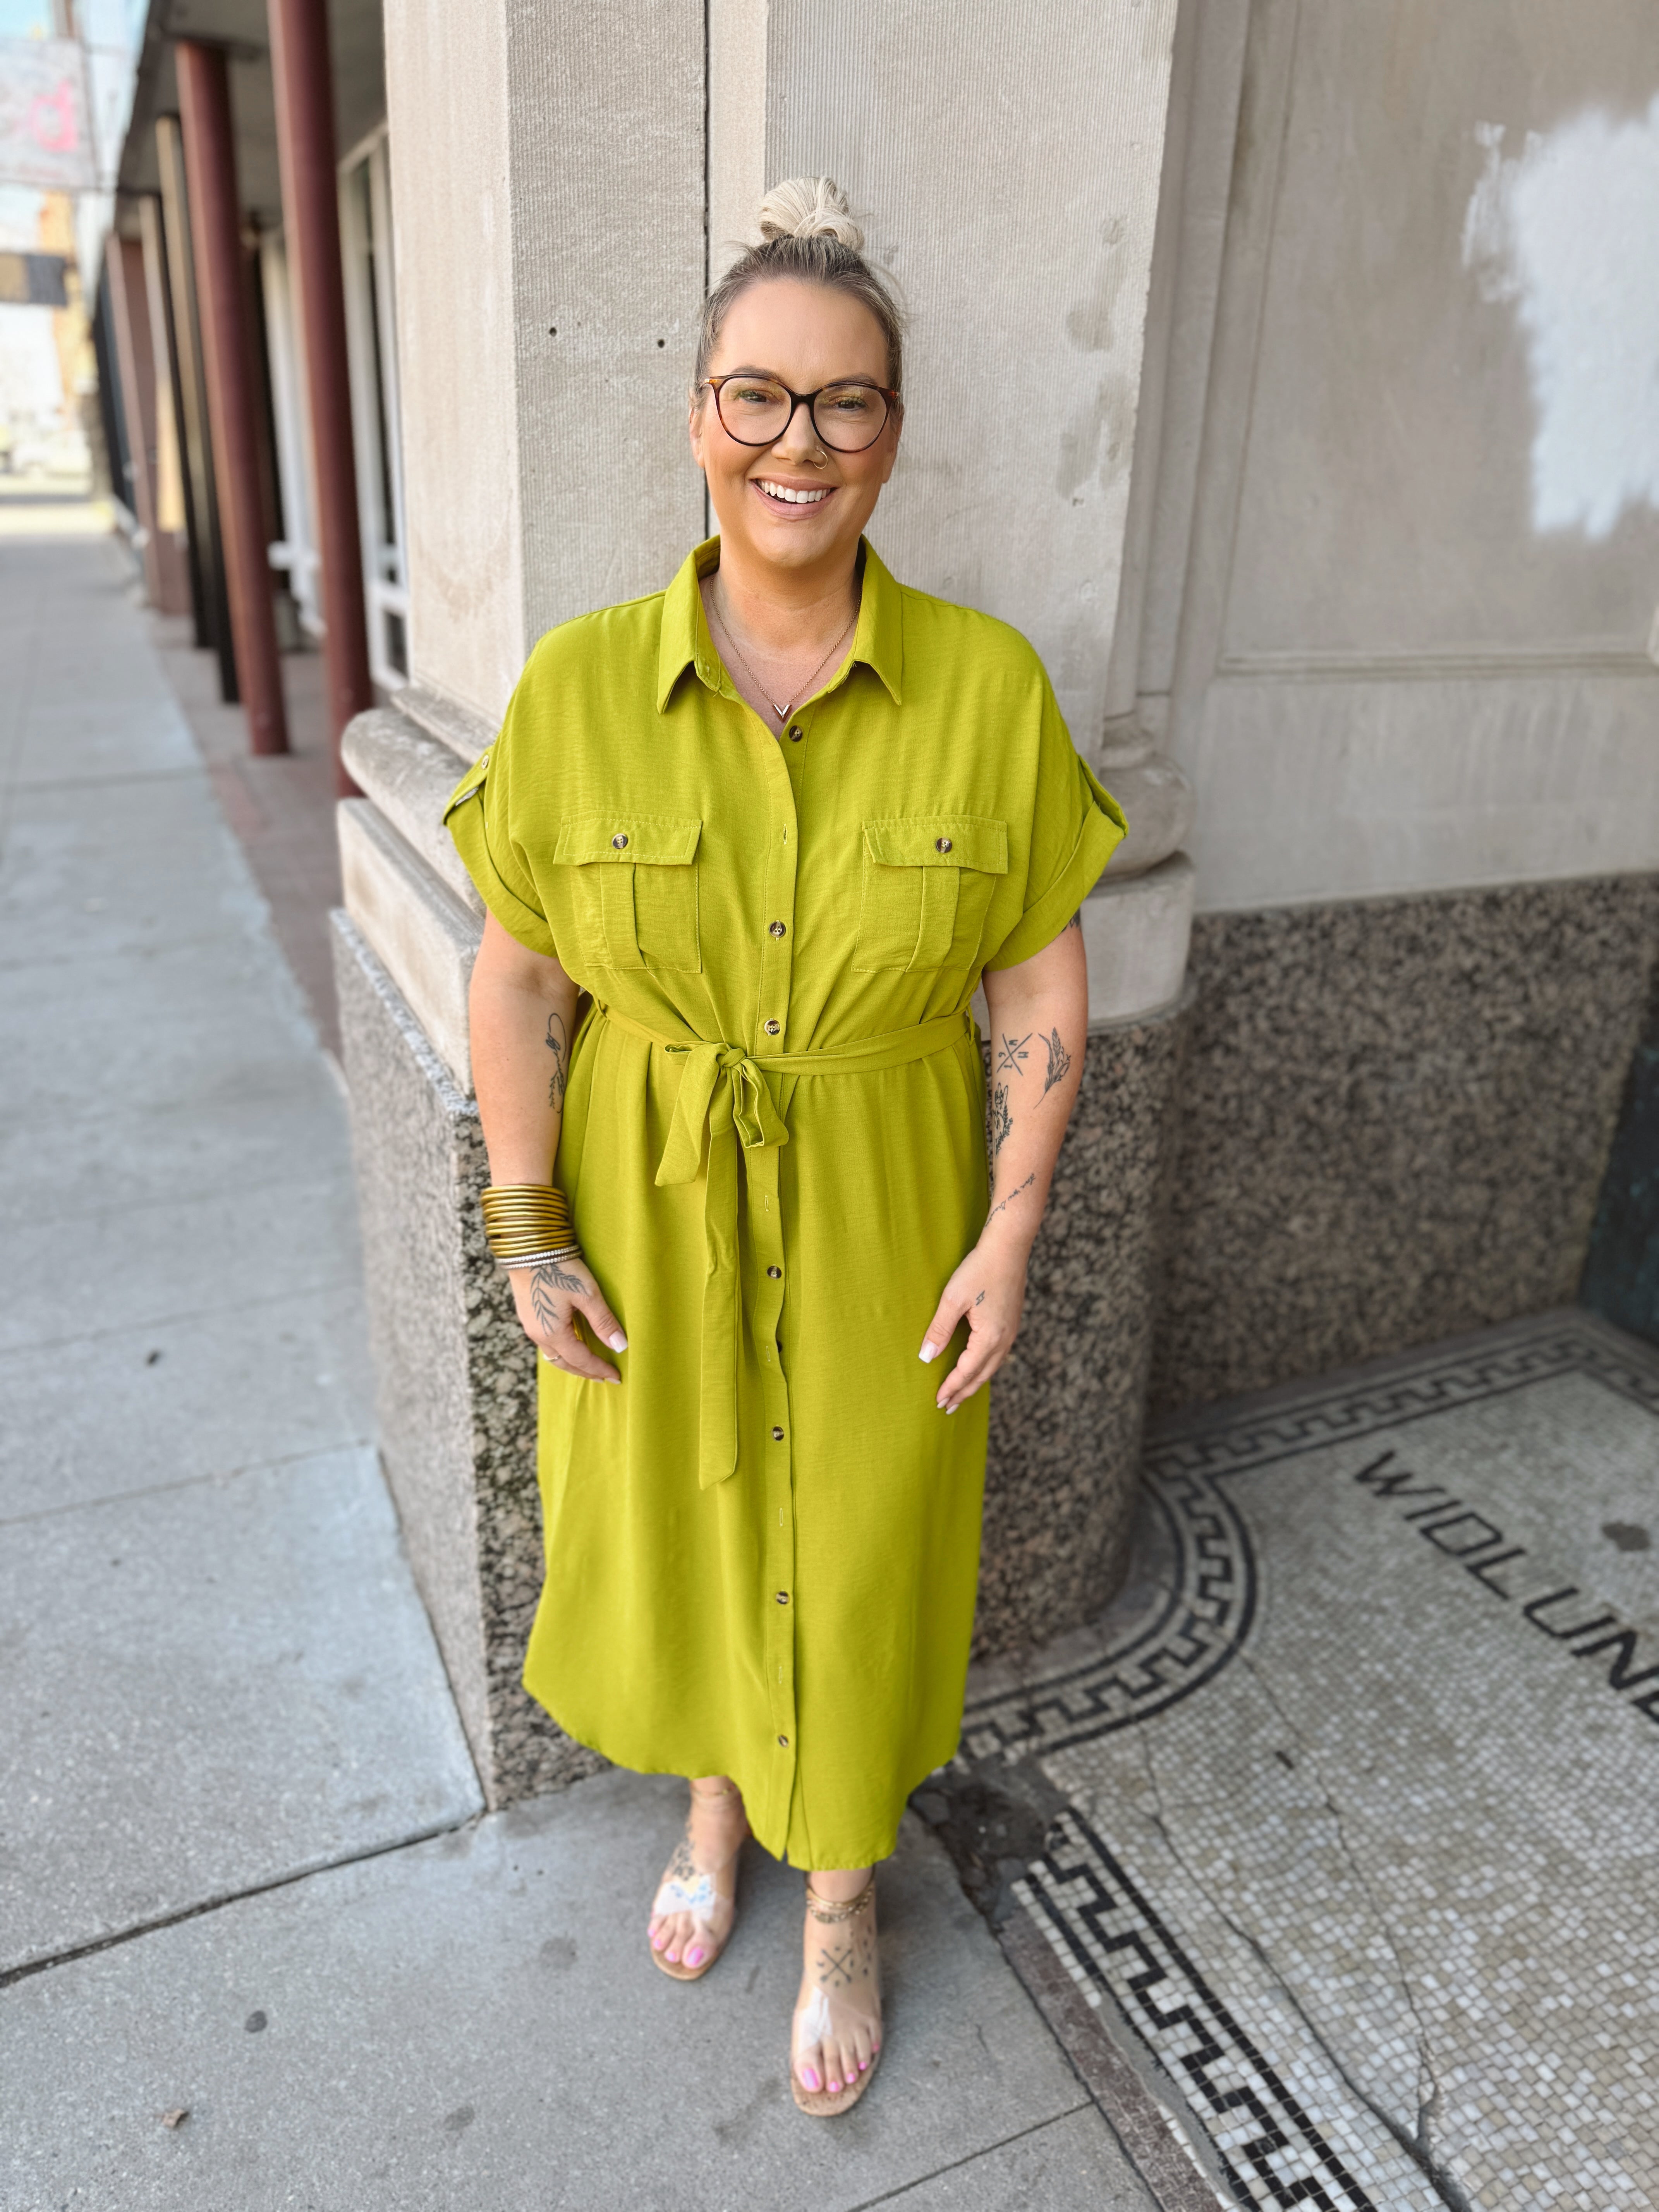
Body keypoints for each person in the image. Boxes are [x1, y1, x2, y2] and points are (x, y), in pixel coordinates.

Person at [446, 175, 1124, 2118]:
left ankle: (842, 1892)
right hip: (653, 1215)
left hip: (889, 1212)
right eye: (758, 396)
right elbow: (518, 988)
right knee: (694, 1524)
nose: (796, 444)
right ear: (696, 417)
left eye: (843, 404)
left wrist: (1010, 1236)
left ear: (893, 436)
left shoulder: (985, 690)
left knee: (863, 1542)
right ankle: (717, 1801)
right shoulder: (583, 686)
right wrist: (525, 1228)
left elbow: (1038, 994)